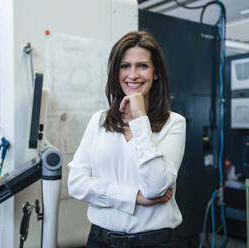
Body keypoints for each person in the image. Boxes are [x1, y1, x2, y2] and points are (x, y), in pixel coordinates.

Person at [67, 31, 186, 248]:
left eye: (142, 66)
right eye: (125, 66)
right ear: (116, 72)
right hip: (100, 241)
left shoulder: (174, 123)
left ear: (156, 72)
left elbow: (156, 188)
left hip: (154, 242)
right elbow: (75, 184)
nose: (133, 75)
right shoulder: (99, 121)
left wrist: (140, 120)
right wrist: (133, 197)